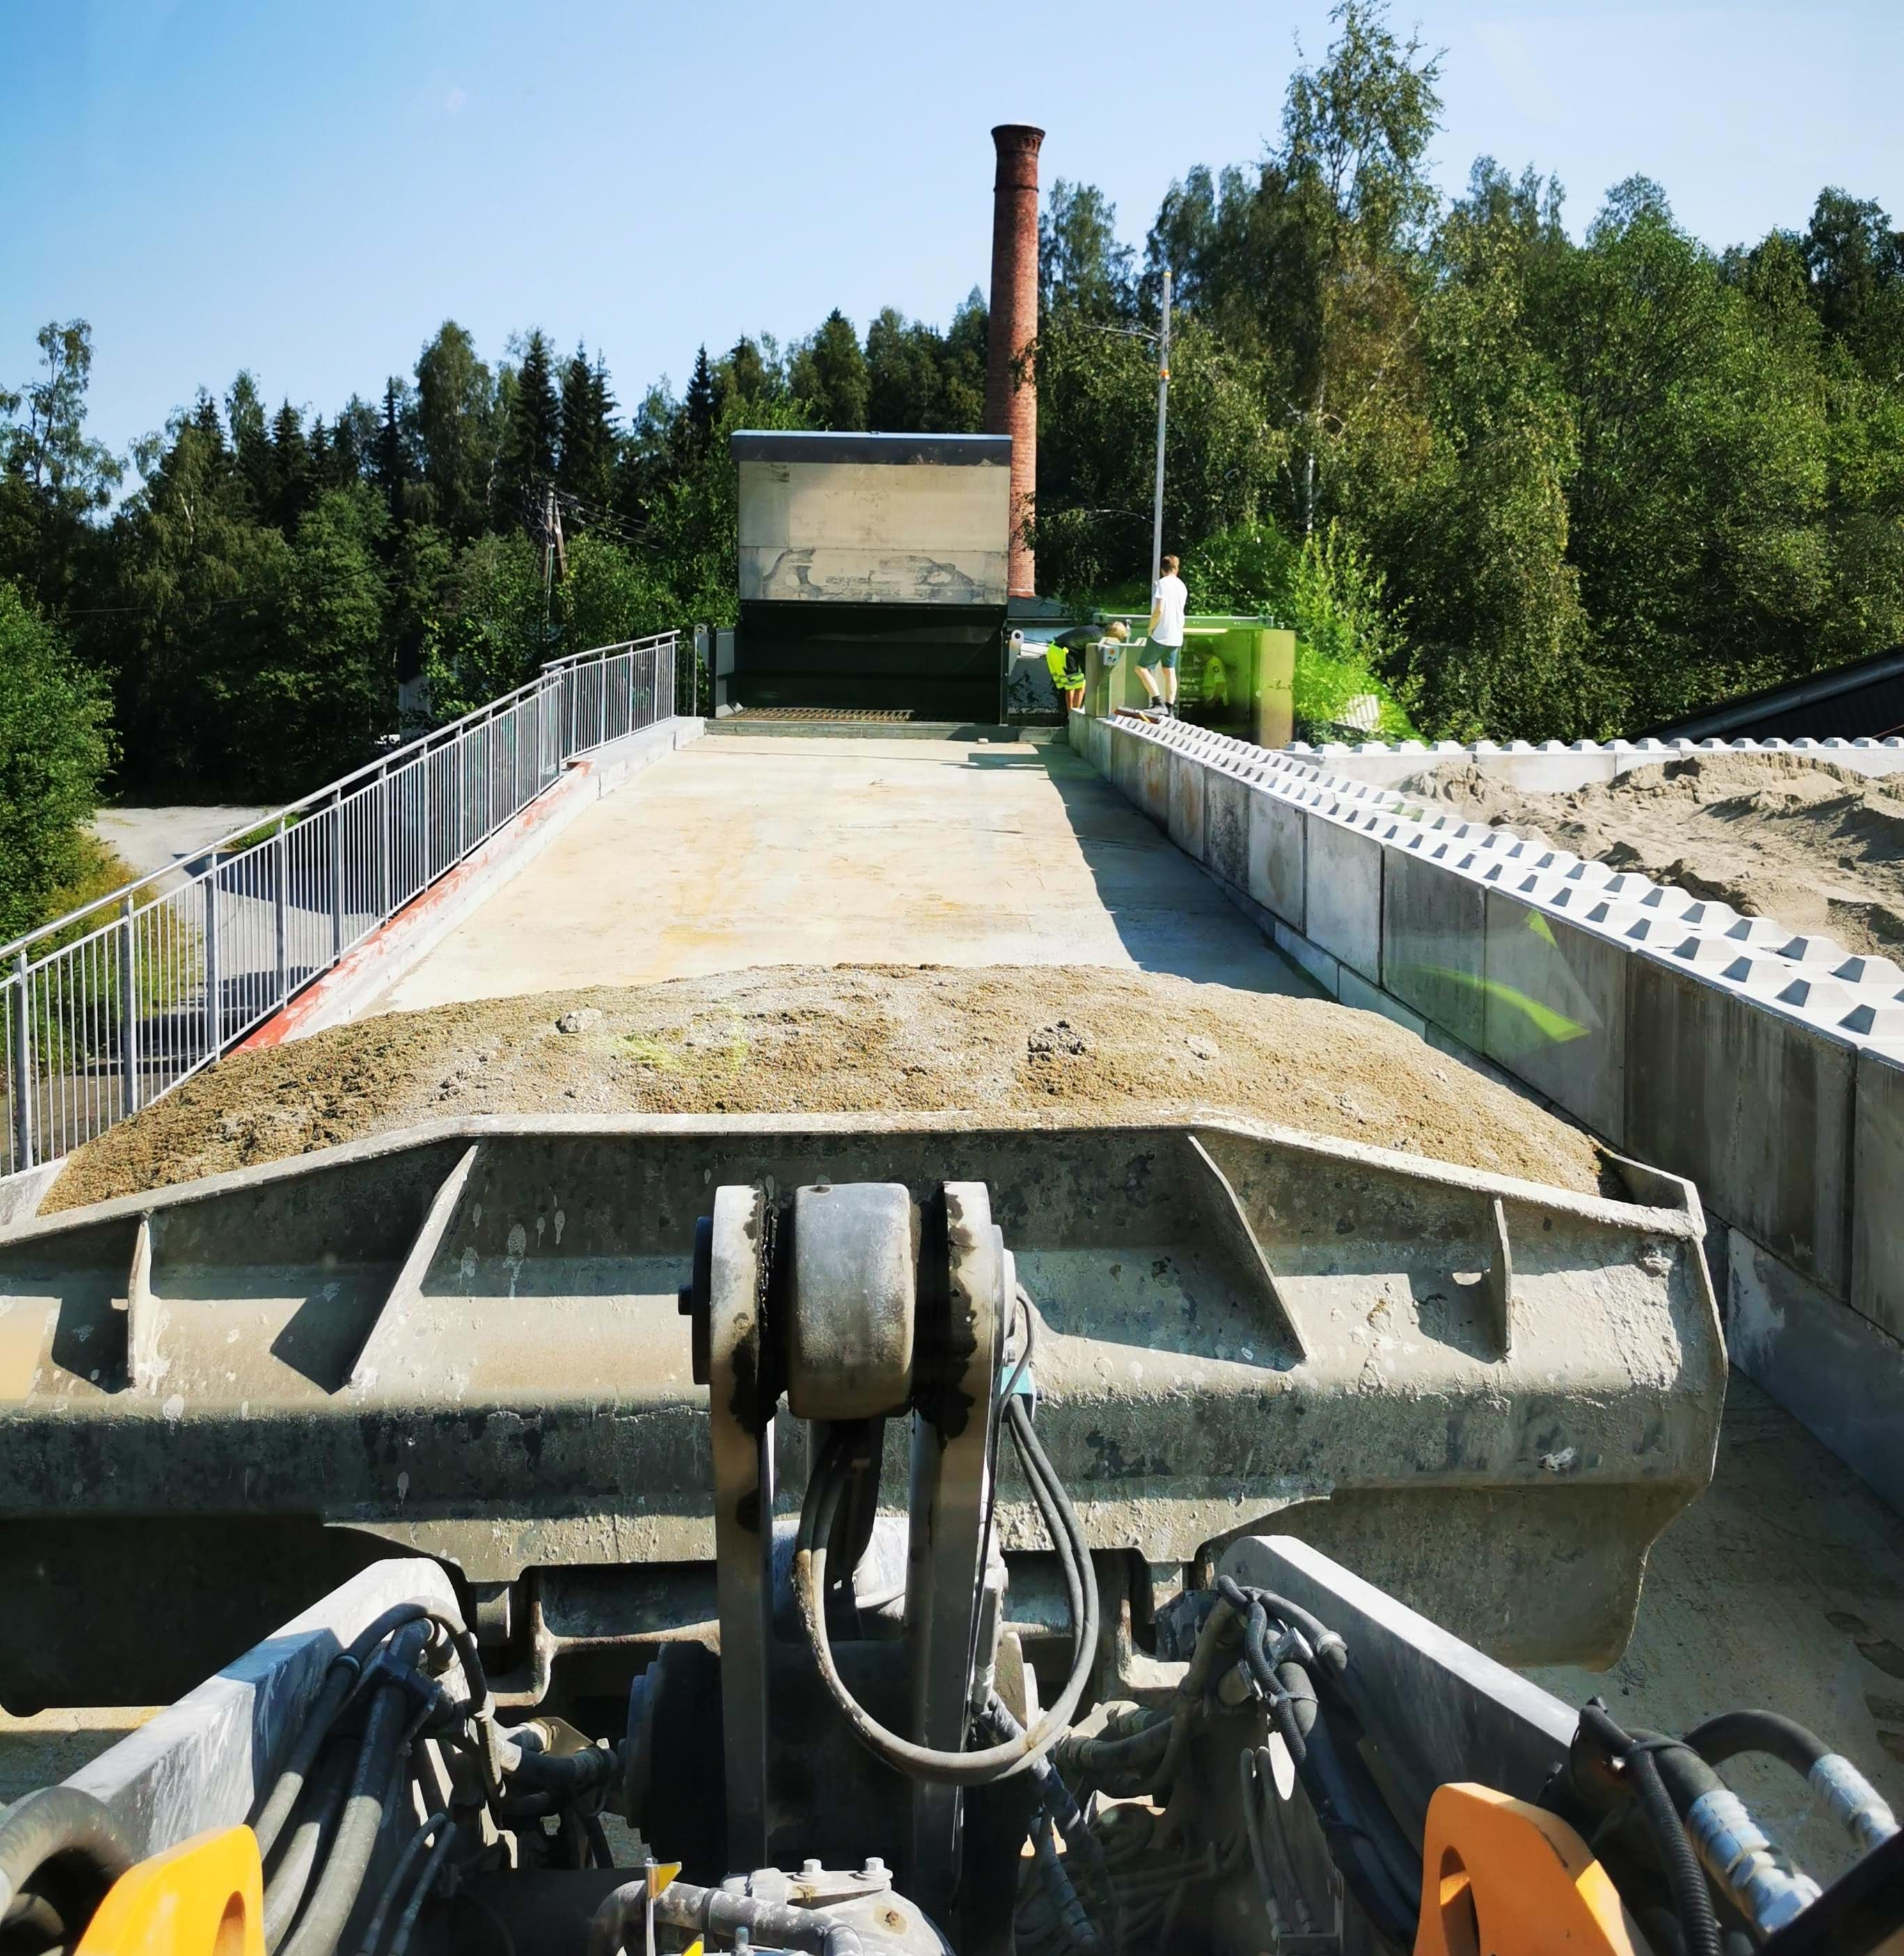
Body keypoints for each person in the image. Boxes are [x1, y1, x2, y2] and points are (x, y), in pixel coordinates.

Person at [1046, 618, 1129, 715]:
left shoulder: (1097, 630)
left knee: (1071, 686)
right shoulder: (1099, 639)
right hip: (1064, 653)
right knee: (1079, 686)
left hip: (1055, 649)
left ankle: (1071, 715)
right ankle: (1074, 715)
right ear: (1115, 637)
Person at [1139, 554, 1187, 714]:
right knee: (1169, 670)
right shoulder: (1182, 586)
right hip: (1176, 635)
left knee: (1141, 668)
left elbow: (1159, 610)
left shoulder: (1162, 584)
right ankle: (1170, 708)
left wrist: (1150, 628)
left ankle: (1157, 703)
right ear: (1177, 569)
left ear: (1162, 570)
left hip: (1161, 634)